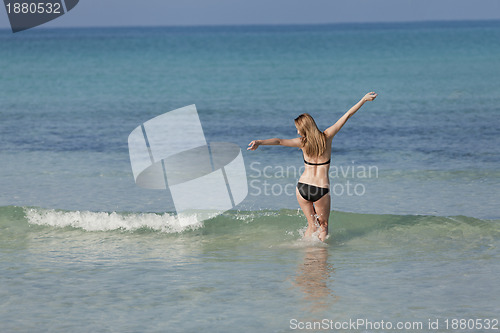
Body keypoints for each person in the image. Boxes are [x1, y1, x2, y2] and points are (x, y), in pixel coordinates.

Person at [247, 92, 378, 241]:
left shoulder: (302, 142)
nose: (297, 132)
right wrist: (363, 100)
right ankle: (321, 260)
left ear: (305, 129)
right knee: (323, 226)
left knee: (312, 226)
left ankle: (306, 254)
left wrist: (259, 142)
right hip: (320, 189)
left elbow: (278, 141)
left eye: (299, 129)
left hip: (302, 187)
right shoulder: (327, 136)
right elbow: (347, 115)